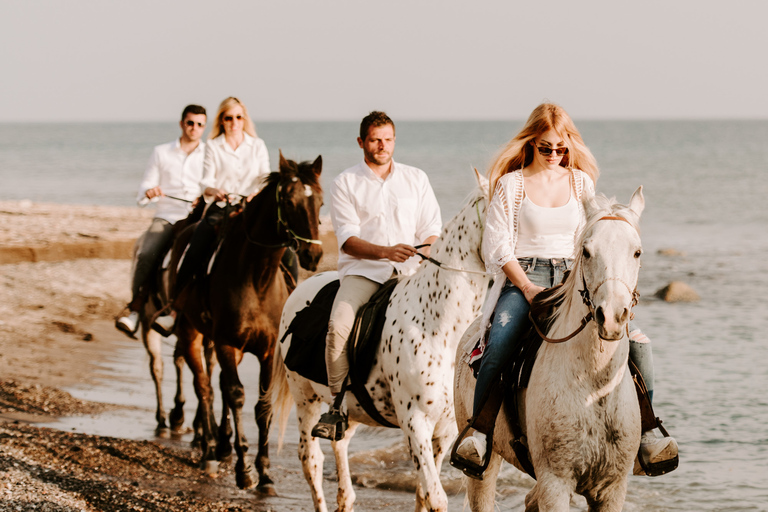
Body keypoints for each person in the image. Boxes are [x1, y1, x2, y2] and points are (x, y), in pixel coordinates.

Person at [453, 103, 678, 476]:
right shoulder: (512, 185)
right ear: (531, 143)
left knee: (637, 342)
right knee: (501, 340)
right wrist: (525, 288)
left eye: (561, 148)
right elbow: (497, 247)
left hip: (576, 279)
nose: (555, 155)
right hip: (524, 276)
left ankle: (648, 431)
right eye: (546, 147)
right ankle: (478, 432)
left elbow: (593, 237)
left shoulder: (581, 183)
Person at [311, 111, 443, 440]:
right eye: (374, 139)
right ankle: (337, 406)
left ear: (394, 140)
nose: (381, 146)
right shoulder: (345, 182)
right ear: (361, 142)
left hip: (411, 274)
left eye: (387, 139)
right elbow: (348, 241)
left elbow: (432, 230)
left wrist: (423, 251)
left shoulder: (416, 178)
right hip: (365, 273)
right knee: (338, 326)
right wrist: (386, 252)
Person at [161, 96, 273, 329]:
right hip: (222, 207)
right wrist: (215, 190)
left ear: (244, 119)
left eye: (238, 117)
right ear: (222, 120)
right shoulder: (213, 146)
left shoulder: (257, 145)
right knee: (194, 248)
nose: (234, 122)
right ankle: (174, 309)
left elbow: (265, 178)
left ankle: (288, 299)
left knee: (285, 249)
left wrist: (255, 195)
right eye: (228, 118)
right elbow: (206, 182)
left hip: (252, 210)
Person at [115, 104, 207, 338]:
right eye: (190, 123)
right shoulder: (161, 152)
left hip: (198, 217)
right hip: (168, 216)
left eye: (199, 125)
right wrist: (150, 192)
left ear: (204, 128)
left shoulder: (210, 154)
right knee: (147, 253)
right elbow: (145, 186)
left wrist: (204, 197)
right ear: (181, 124)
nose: (194, 128)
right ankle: (135, 309)